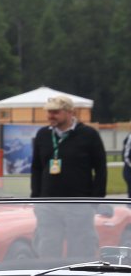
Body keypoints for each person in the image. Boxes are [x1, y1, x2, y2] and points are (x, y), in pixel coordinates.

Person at [30, 95, 106, 259]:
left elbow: (100, 168)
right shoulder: (43, 134)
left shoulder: (89, 134)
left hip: (79, 203)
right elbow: (36, 168)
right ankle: (50, 275)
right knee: (47, 248)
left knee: (80, 249)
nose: (50, 116)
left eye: (55, 112)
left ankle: (78, 275)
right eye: (49, 112)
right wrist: (36, 198)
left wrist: (95, 200)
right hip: (48, 204)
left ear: (70, 112)